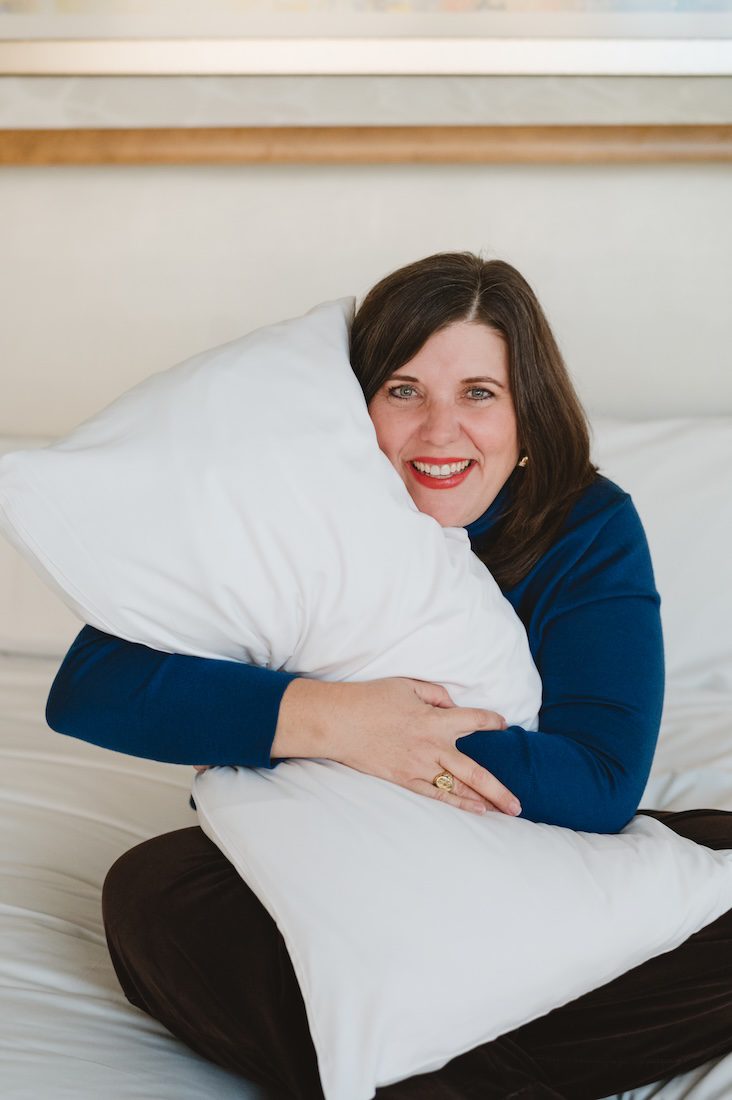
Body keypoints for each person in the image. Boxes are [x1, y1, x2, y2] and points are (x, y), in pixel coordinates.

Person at [45, 253, 732, 1100]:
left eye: (479, 392)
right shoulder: (294, 512)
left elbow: (597, 784)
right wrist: (338, 724)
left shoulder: (585, 523)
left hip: (532, 850)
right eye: (404, 391)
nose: (440, 432)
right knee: (160, 894)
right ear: (354, 407)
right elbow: (89, 687)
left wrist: (405, 747)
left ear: (528, 414)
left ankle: (420, 1060)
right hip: (331, 852)